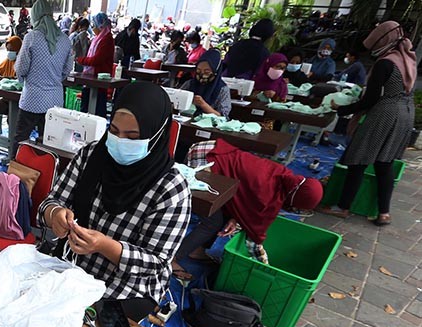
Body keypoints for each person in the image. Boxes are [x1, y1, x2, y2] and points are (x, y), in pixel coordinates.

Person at [38, 82, 191, 308]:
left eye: (133, 136)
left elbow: (156, 263)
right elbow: (49, 204)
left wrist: (105, 246)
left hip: (127, 287)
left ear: (156, 135)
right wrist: (55, 214)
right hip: (71, 266)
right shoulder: (92, 155)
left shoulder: (171, 189)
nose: (120, 141)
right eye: (115, 131)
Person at [172, 139, 322, 276]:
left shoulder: (285, 177)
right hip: (204, 160)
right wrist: (268, 270)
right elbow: (254, 241)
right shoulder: (268, 197)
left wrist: (234, 217)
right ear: (295, 200)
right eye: (299, 208)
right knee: (213, 222)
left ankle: (197, 249)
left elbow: (244, 194)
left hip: (212, 149)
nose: (297, 211)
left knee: (223, 213)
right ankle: (172, 258)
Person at [318, 21, 417, 226]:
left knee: (359, 158)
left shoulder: (385, 63)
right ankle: (384, 213)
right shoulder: (407, 59)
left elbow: (370, 99)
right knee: (384, 161)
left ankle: (342, 207)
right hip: (406, 112)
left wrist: (343, 109)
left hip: (385, 112)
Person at [11, 0, 73, 159]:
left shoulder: (32, 37)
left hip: (33, 99)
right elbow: (67, 69)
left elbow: (21, 68)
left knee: (21, 140)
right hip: (55, 101)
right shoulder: (65, 40)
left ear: (34, 16)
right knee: (50, 142)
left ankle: (16, 174)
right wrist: (53, 80)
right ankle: (46, 175)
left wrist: (24, 78)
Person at [77, 12, 114, 117]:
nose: (93, 28)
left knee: (97, 112)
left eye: (94, 25)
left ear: (100, 25)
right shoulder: (97, 39)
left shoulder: (107, 39)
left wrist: (81, 60)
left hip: (99, 81)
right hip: (90, 79)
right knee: (85, 109)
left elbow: (97, 60)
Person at [180, 49, 231, 117]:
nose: (202, 75)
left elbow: (223, 116)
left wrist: (203, 105)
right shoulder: (189, 84)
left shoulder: (222, 89)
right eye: (198, 71)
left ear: (216, 71)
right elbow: (176, 100)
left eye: (207, 72)